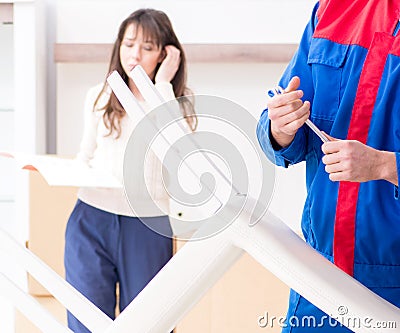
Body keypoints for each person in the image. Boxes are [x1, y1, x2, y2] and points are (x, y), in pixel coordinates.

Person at [257, 0, 400, 331]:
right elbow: (279, 125)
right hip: (318, 277)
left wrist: (384, 165)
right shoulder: (332, 10)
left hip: (391, 287)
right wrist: (280, 128)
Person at [64, 8, 197, 332]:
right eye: (129, 44)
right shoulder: (98, 95)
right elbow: (85, 155)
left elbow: (183, 159)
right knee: (86, 323)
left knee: (152, 324)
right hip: (91, 218)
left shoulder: (175, 101)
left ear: (167, 54)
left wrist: (162, 84)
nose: (134, 54)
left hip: (148, 226)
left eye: (147, 47)